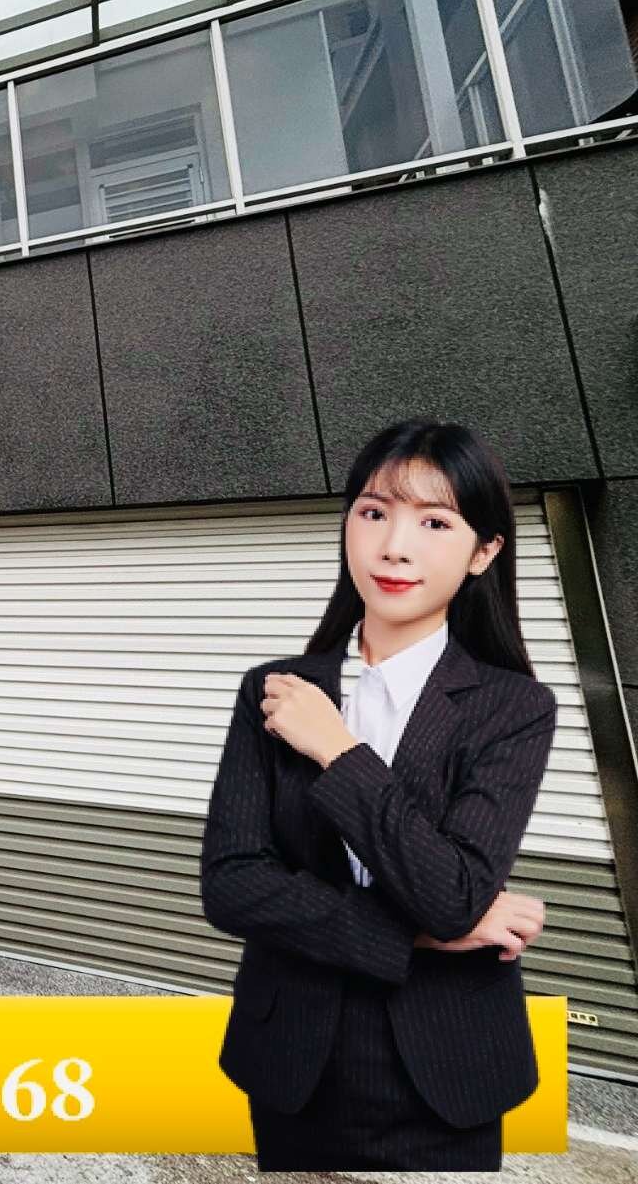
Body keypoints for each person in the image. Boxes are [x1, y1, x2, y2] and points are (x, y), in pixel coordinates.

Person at [199, 417, 560, 1172]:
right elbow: (232, 885)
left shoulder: (513, 707)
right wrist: (416, 936)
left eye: (435, 522)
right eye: (373, 512)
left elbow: (453, 895)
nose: (394, 546)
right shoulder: (273, 691)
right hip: (294, 1050)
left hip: (449, 1059)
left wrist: (337, 749)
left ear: (484, 551)